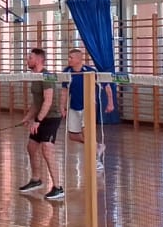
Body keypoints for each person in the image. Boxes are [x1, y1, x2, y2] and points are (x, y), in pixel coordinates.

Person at [19, 47, 64, 201]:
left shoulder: (47, 76)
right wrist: (28, 117)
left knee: (47, 149)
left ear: (39, 60)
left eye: (30, 57)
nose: (27, 60)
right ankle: (36, 179)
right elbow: (37, 103)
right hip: (41, 116)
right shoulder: (35, 77)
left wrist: (37, 121)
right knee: (31, 147)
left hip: (52, 117)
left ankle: (58, 187)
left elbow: (48, 101)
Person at [63, 47, 114, 169]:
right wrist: (62, 106)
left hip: (89, 107)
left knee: (87, 132)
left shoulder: (90, 71)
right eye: (68, 57)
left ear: (78, 59)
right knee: (73, 136)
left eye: (71, 57)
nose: (69, 60)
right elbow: (64, 91)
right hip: (74, 107)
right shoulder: (67, 71)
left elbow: (107, 86)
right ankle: (97, 146)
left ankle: (96, 161)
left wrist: (110, 103)